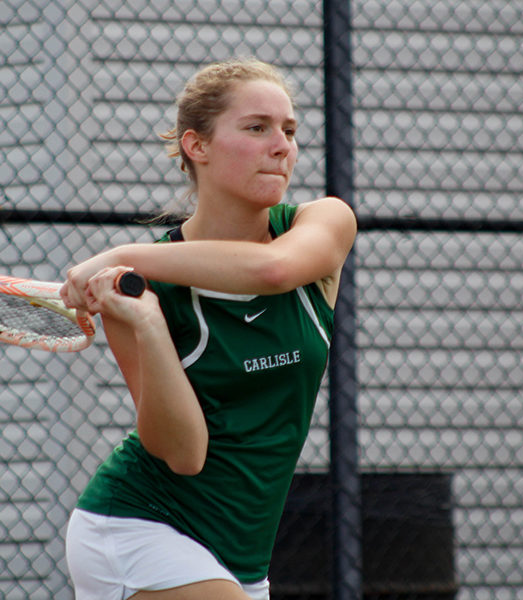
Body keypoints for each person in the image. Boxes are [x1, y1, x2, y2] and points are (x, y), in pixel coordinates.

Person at [59, 58, 357, 600]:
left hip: (242, 555)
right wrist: (147, 324)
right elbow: (184, 452)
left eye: (289, 131)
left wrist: (126, 252)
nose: (282, 145)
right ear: (197, 146)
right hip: (140, 526)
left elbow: (272, 271)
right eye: (256, 127)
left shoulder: (323, 222)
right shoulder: (140, 289)